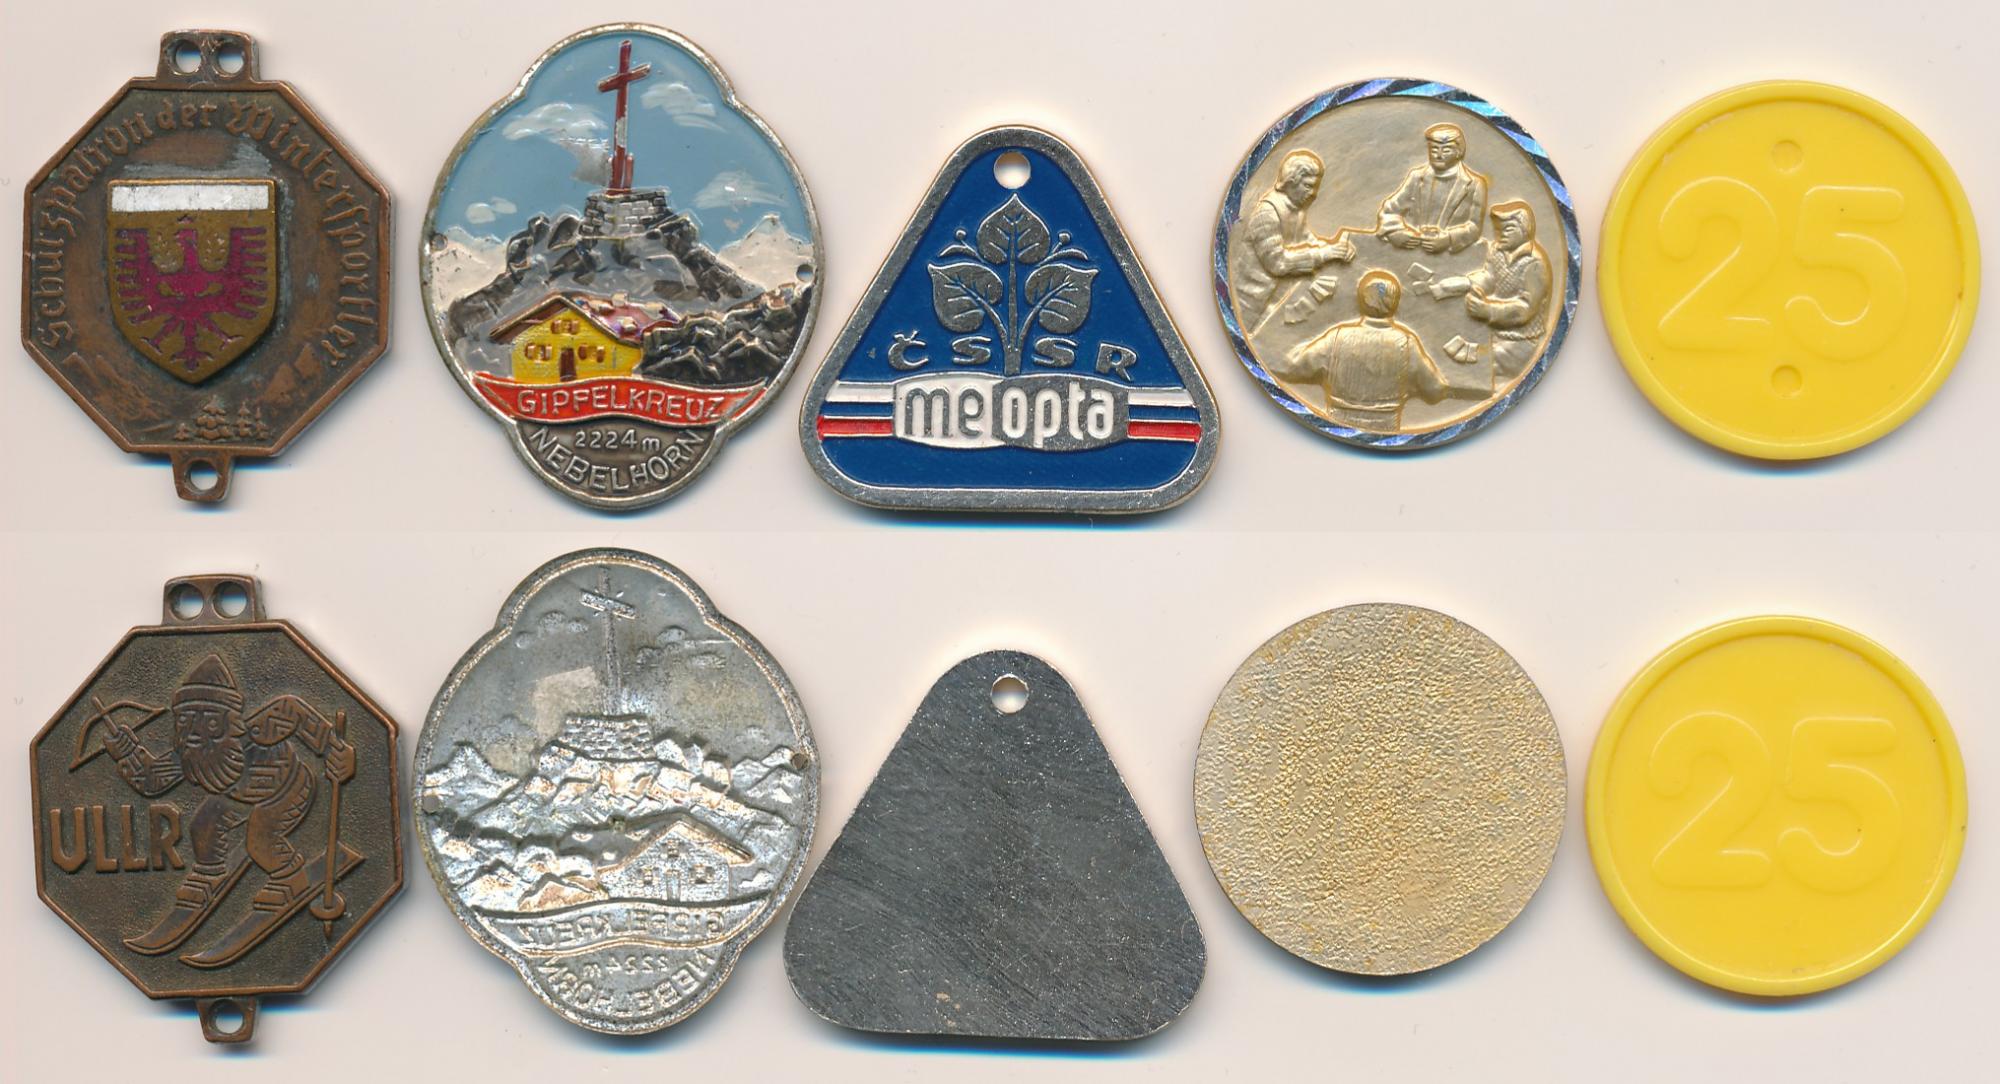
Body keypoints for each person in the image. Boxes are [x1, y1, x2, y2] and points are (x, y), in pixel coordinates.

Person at [104, 654, 354, 948]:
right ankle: (209, 871)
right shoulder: (188, 755)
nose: (196, 733)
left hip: (286, 789)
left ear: (230, 721)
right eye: (185, 721)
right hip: (236, 798)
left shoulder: (259, 731)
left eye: (209, 722)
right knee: (202, 827)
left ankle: (289, 875)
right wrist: (128, 753)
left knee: (260, 841)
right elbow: (152, 782)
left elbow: (294, 710)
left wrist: (336, 750)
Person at [1271, 270, 1462, 432]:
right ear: (1395, 302)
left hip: (1335, 427)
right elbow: (1435, 390)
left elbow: (1293, 367)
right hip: (1385, 430)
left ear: (1362, 300)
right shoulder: (1406, 343)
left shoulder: (1337, 337)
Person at [1427, 201, 1553, 379]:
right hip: (1494, 333)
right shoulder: (1497, 251)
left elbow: (1525, 310)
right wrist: (1465, 283)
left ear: (1524, 230)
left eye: (1508, 229)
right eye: (1498, 229)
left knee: (1470, 366)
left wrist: (1487, 310)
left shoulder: (1534, 263)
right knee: (1454, 351)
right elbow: (1489, 277)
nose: (1501, 234)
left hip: (1521, 341)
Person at [1236, 149, 1355, 327]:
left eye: (1315, 187)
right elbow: (1278, 263)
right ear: (1291, 182)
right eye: (1308, 186)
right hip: (1254, 308)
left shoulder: (1295, 210)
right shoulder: (1267, 212)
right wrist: (1325, 254)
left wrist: (1336, 249)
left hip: (1279, 301)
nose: (1313, 193)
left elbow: (1307, 240)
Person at [1377, 123, 1488, 255]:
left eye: (1446, 150)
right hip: (1410, 253)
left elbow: (1474, 226)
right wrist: (1395, 233)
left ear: (1459, 152)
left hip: (1452, 258)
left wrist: (1448, 239)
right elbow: (1390, 211)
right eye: (1434, 149)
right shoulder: (1417, 177)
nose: (1439, 155)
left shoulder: (1474, 184)